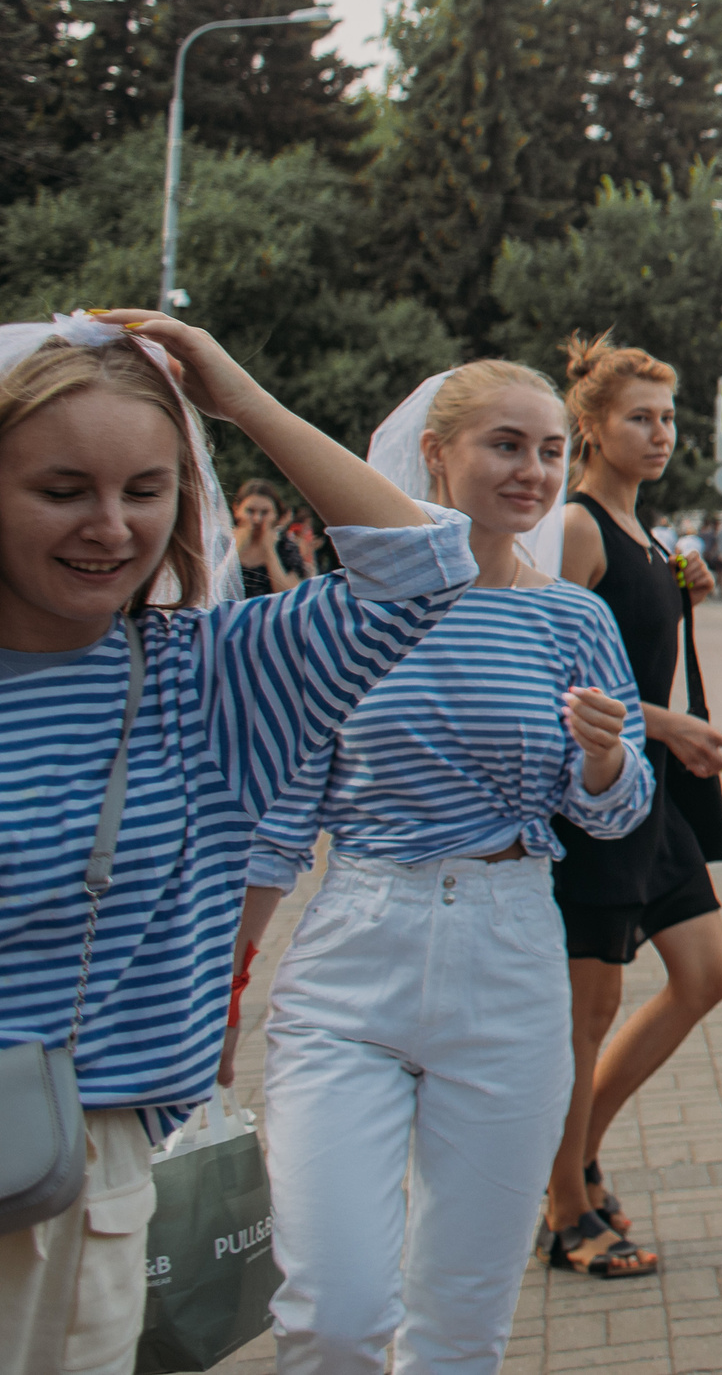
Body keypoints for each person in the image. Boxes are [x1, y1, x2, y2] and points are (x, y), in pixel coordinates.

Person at [0, 311, 475, 1375]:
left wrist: (239, 402)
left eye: (144, 489)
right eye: (62, 489)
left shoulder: (205, 680)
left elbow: (427, 566)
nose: (111, 526)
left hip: (47, 1186)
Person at [233, 360, 653, 1374]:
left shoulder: (573, 619)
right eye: (505, 446)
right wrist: (224, 981)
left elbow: (619, 807)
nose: (534, 473)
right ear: (435, 453)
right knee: (334, 1311)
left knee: (462, 1323)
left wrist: (603, 759)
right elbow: (280, 817)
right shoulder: (351, 612)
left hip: (510, 956)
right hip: (356, 951)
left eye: (552, 451)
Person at [541, 333, 722, 1278]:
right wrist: (669, 727)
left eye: (668, 418)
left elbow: (632, 650)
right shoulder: (577, 525)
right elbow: (551, 678)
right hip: (597, 801)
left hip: (654, 802)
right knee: (588, 1009)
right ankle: (562, 1206)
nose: (661, 434)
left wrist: (682, 589)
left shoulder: (646, 536)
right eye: (640, 418)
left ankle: (576, 1148)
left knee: (705, 974)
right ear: (589, 427)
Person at [232, 477, 307, 597]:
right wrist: (235, 550)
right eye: (250, 511)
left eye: (264, 512)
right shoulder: (222, 542)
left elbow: (291, 596)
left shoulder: (285, 547)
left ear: (276, 514)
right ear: (237, 509)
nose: (257, 519)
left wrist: (270, 552)